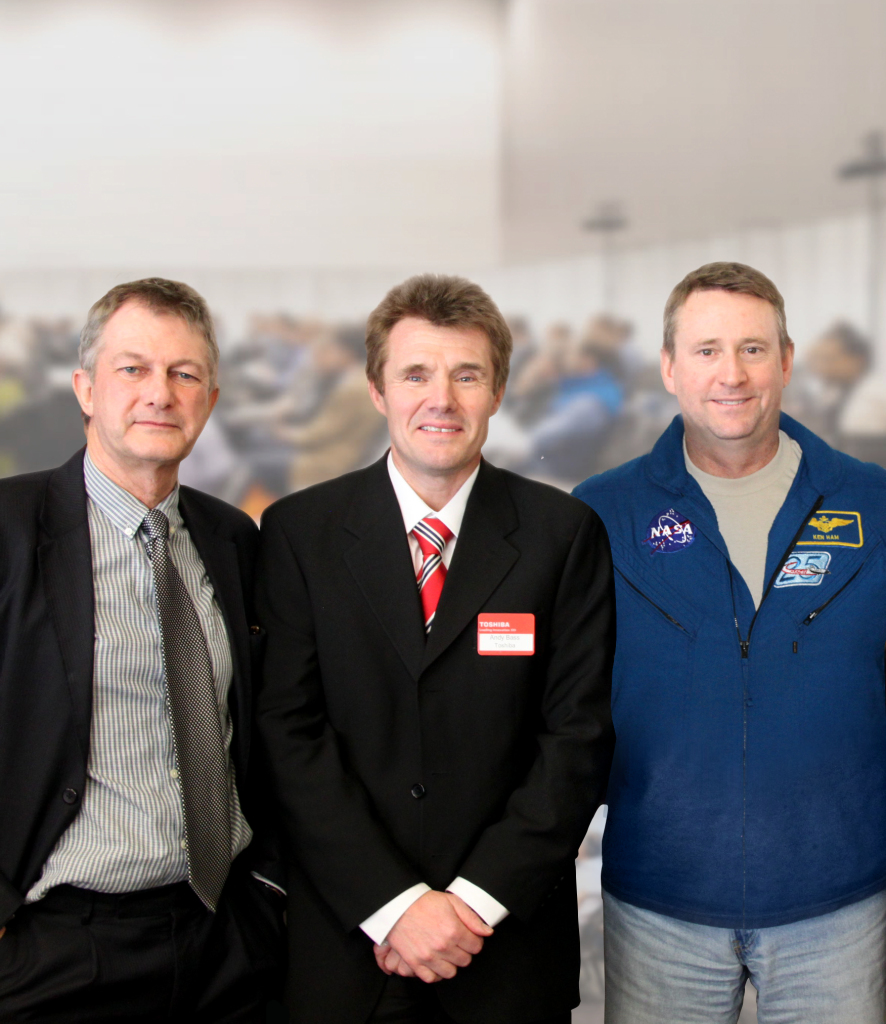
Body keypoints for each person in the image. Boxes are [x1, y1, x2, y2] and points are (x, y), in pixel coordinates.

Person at [257, 273, 615, 1024]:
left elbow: (576, 738)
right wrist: (394, 908)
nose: (441, 400)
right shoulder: (300, 533)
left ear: (499, 390)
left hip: (505, 951)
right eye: (415, 373)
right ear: (377, 388)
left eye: (467, 375)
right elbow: (289, 736)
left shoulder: (562, 534)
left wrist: (471, 906)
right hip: (349, 946)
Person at [573, 261, 886, 1024]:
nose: (732, 374)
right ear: (669, 368)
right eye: (707, 350)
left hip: (838, 904)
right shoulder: (601, 515)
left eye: (753, 349)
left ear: (785, 361)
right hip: (661, 903)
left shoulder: (872, 503)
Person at [0, 278, 283, 1022]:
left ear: (210, 400)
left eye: (184, 374)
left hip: (227, 939)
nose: (160, 392)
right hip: (60, 945)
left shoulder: (234, 540)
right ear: (85, 389)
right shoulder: (8, 527)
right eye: (133, 369)